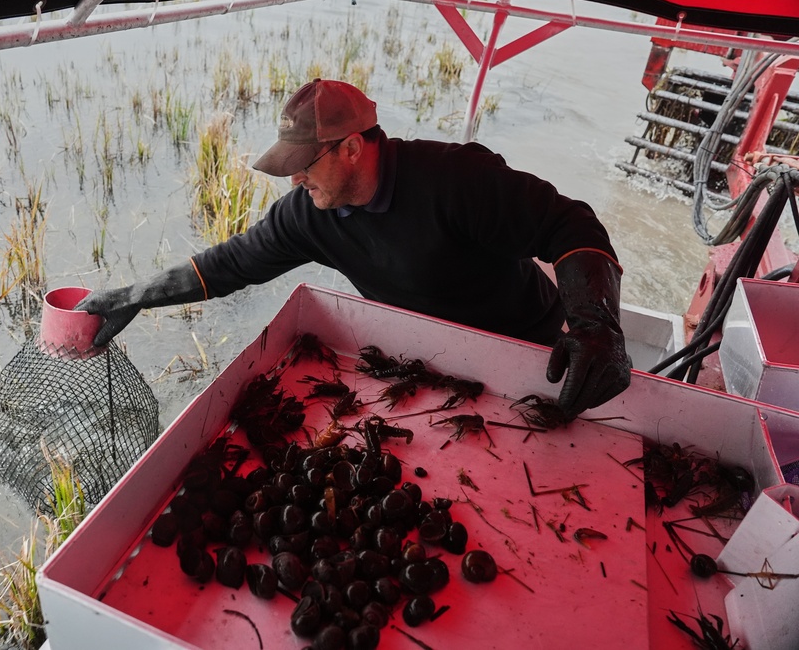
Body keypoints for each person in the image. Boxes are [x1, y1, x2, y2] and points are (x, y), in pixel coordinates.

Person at [76, 79, 632, 418]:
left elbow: (571, 225)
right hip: (426, 362)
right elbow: (233, 262)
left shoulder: (455, 178)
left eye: (303, 167)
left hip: (531, 353)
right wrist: (137, 295)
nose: (294, 182)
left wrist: (596, 322)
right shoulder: (308, 216)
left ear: (350, 148)